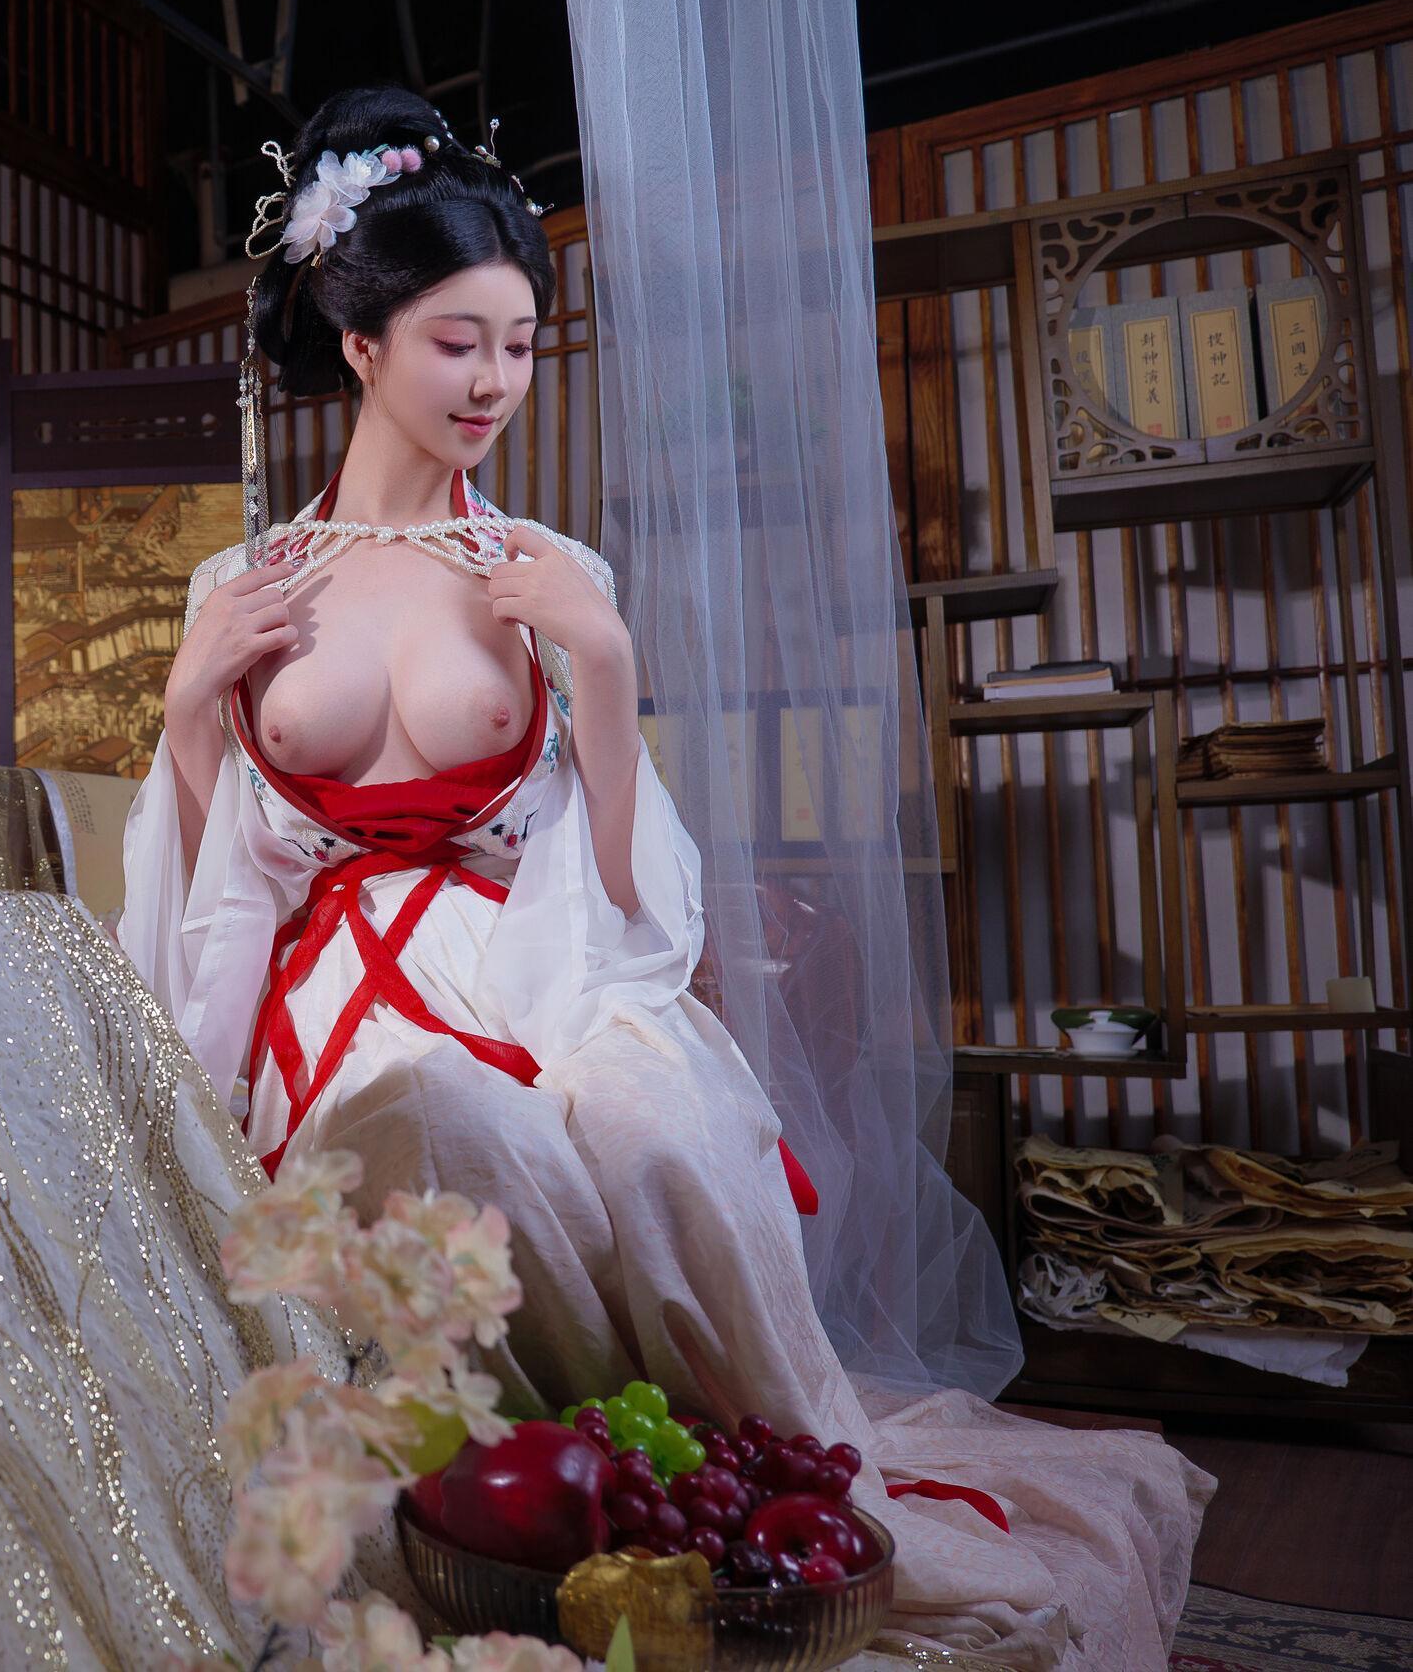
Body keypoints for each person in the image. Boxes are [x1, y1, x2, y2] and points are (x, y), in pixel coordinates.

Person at [117, 85, 1210, 1668]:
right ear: (360, 344)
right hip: (334, 999)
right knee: (452, 1115)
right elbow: (214, 875)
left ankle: (761, 1490)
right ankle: (549, 1505)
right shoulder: (245, 579)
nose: (494, 381)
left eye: (519, 345)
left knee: (659, 1117)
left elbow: (633, 885)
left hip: (538, 954)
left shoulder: (551, 570)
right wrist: (184, 706)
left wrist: (610, 665)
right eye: (456, 342)